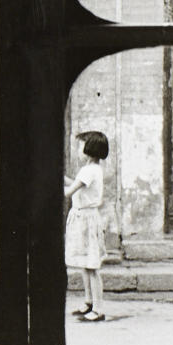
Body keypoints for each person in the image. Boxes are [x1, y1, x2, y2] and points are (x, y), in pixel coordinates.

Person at [64, 131, 109, 322]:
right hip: (85, 218)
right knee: (86, 264)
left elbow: (69, 192)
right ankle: (89, 302)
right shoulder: (93, 169)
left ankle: (98, 309)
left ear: (89, 149)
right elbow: (74, 184)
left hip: (86, 220)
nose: (78, 150)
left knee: (91, 267)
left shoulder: (88, 171)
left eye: (80, 146)